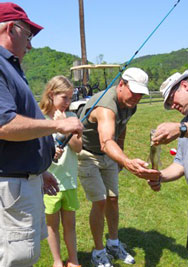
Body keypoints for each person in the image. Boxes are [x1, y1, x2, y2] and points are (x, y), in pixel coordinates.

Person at [0, 3, 83, 267]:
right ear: (10, 28)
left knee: (26, 254)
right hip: (13, 185)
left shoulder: (12, 68)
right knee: (17, 259)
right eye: (28, 34)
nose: (31, 44)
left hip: (24, 180)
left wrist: (39, 169)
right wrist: (58, 127)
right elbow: (4, 125)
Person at [78, 67, 160, 267]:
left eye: (141, 93)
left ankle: (113, 244)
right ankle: (98, 253)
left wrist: (120, 152)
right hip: (87, 153)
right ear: (121, 84)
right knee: (100, 201)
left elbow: (122, 127)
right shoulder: (107, 105)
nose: (137, 97)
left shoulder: (131, 103)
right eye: (134, 92)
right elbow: (106, 141)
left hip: (108, 156)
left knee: (113, 199)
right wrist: (126, 161)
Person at [148, 70, 188, 260]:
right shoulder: (185, 122)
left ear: (185, 86)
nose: (172, 106)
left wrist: (181, 129)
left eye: (172, 98)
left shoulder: (183, 127)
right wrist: (159, 176)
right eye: (169, 104)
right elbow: (180, 164)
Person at [40, 76, 82, 267]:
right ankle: (57, 261)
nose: (68, 103)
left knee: (70, 225)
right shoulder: (40, 118)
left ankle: (73, 260)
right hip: (49, 181)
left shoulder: (72, 118)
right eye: (64, 97)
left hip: (69, 179)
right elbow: (34, 150)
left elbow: (78, 147)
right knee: (52, 225)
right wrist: (50, 152)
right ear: (51, 94)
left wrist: (66, 128)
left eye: (70, 98)